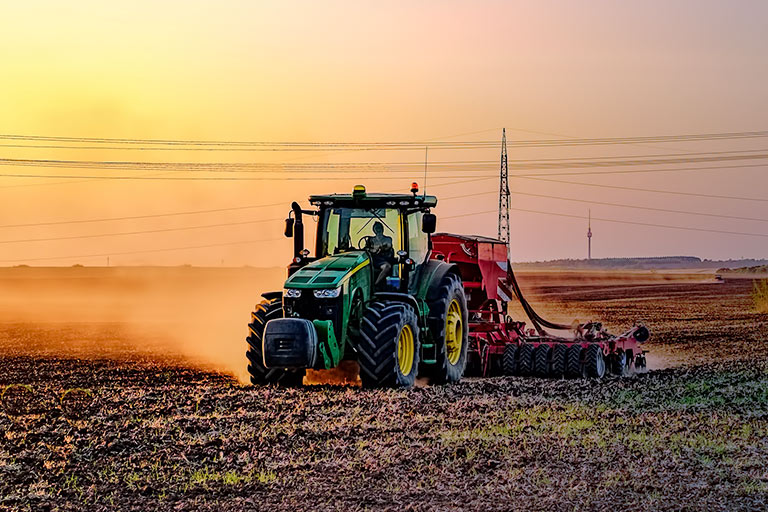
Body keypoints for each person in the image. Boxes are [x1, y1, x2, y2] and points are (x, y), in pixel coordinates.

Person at [367, 221, 394, 286]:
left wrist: (381, 248)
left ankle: (375, 284)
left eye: (379, 228)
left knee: (387, 266)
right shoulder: (370, 240)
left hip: (384, 259)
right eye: (376, 228)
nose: (378, 230)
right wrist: (372, 250)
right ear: (374, 230)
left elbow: (388, 246)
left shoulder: (388, 239)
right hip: (373, 259)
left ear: (382, 229)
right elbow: (367, 249)